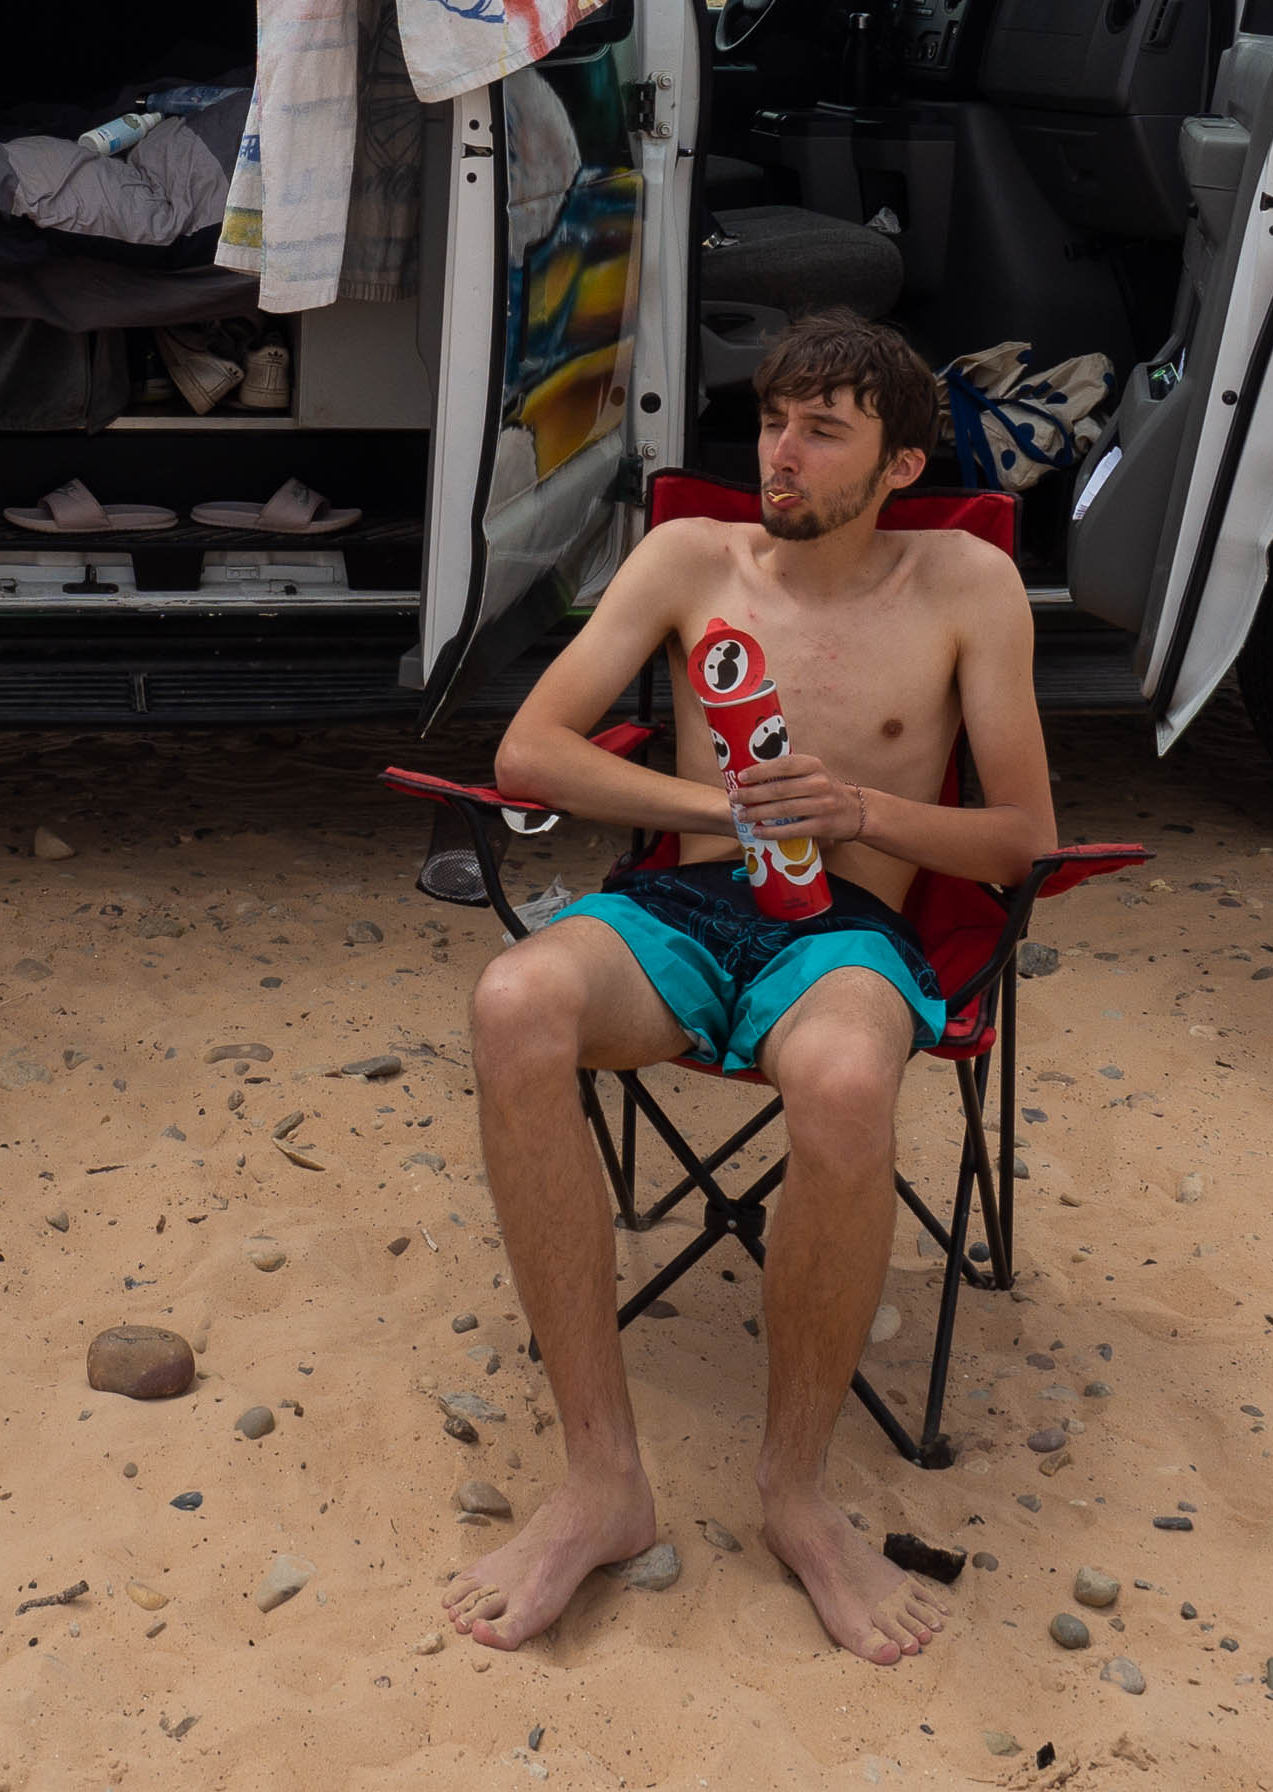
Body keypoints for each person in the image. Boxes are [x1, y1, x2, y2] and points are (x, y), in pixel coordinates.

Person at [441, 311, 1054, 1661]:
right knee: (513, 1002)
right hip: (682, 908)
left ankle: (797, 1495)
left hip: (847, 933)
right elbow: (532, 753)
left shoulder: (965, 584)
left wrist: (858, 811)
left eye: (823, 428)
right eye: (775, 418)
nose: (783, 451)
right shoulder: (685, 558)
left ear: (898, 463)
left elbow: (1023, 839)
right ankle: (601, 1482)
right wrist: (715, 799)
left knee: (841, 1077)